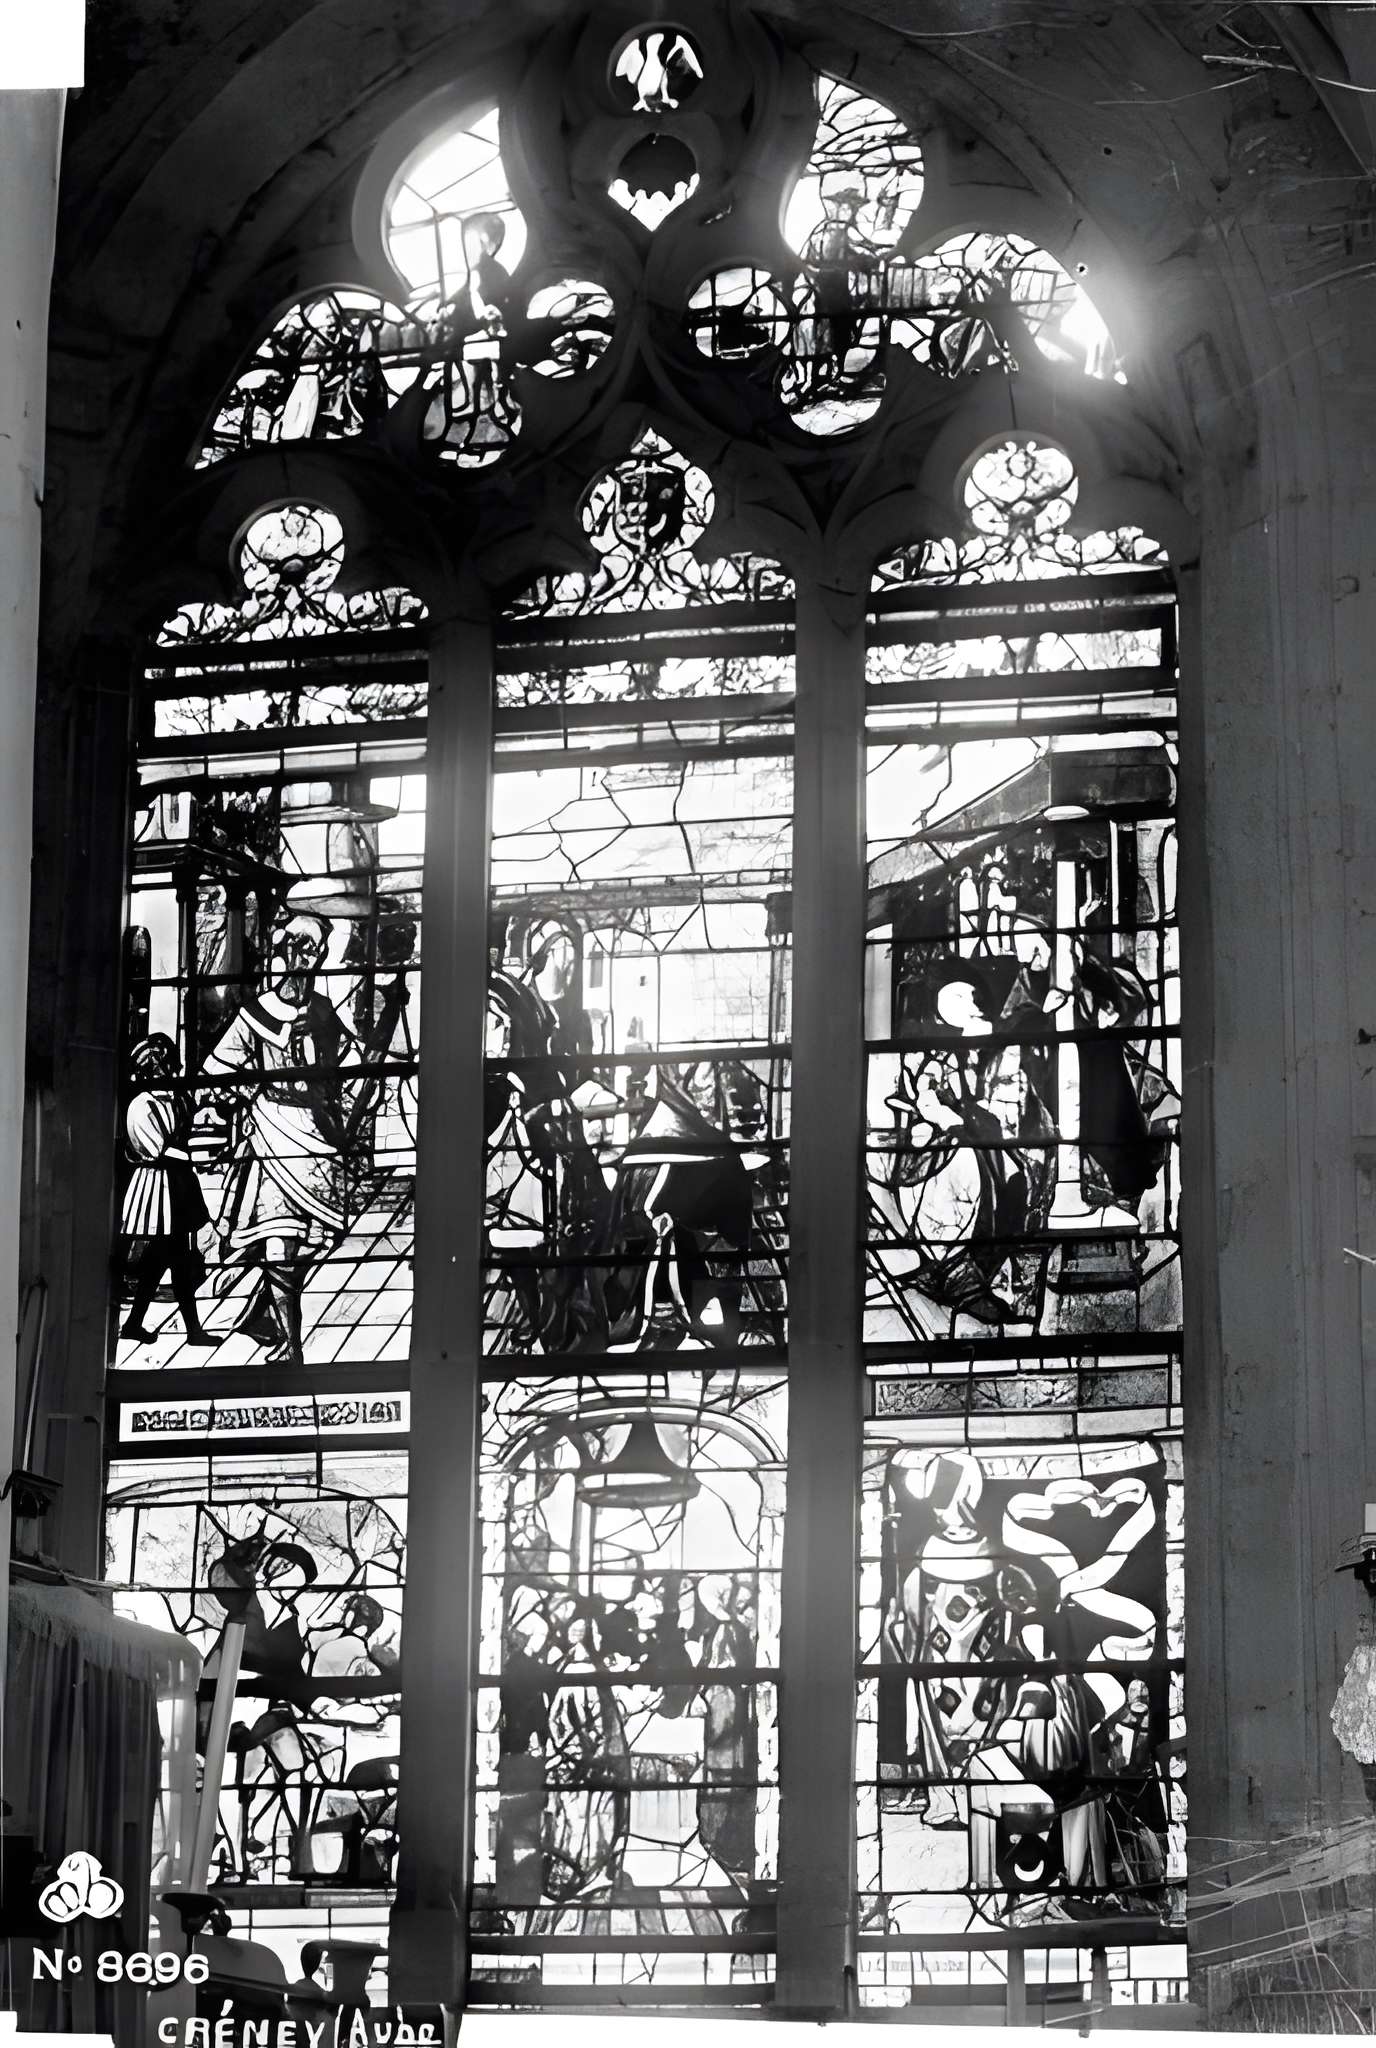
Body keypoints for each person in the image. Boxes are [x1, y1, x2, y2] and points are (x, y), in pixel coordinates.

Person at [202, 913, 353, 1365]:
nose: (299, 956)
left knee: (312, 1241)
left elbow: (348, 1067)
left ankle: (266, 1313)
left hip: (316, 1137)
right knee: (279, 1241)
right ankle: (293, 1345)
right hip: (272, 1132)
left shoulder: (326, 1013)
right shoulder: (255, 1013)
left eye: (309, 949)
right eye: (293, 945)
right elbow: (217, 1069)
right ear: (280, 949)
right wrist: (248, 1090)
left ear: (321, 956)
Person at [119, 1033, 214, 1345]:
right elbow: (155, 1149)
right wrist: (194, 1156)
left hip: (180, 1185)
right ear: (145, 1069)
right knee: (171, 1259)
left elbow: (190, 1131)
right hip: (156, 1187)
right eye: (157, 1065)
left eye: (168, 1062)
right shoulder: (140, 1105)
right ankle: (191, 1332)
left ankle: (142, 1325)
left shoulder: (179, 1100)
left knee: (171, 1260)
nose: (165, 1070)